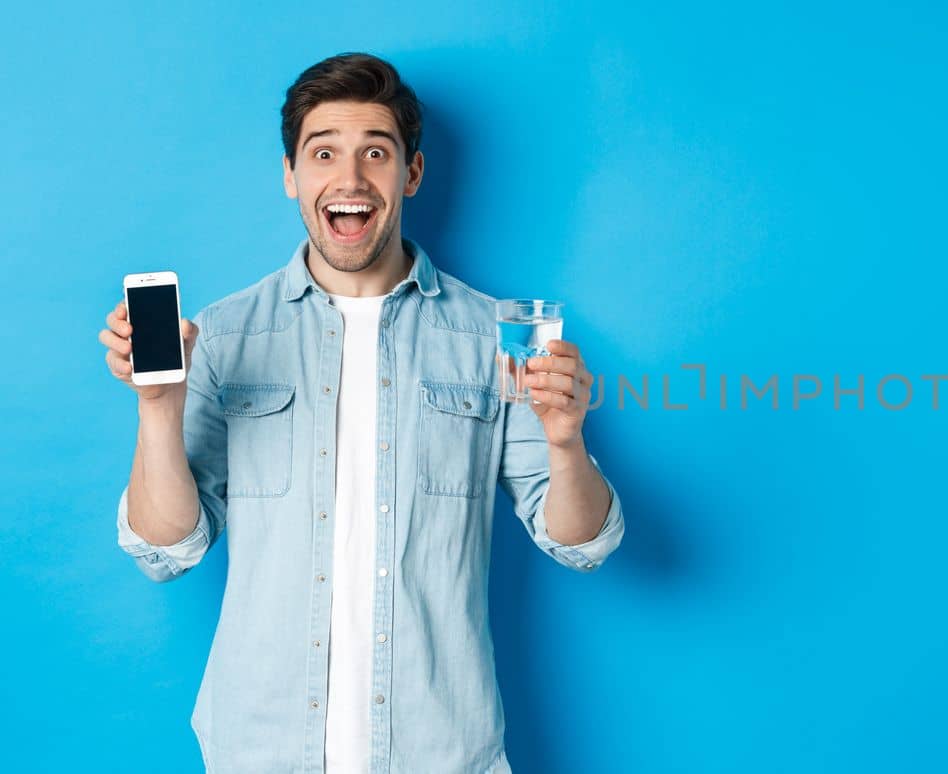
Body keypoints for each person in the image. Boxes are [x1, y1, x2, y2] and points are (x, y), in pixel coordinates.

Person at [96, 52, 624, 773]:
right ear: (291, 176)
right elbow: (167, 550)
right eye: (323, 154)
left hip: (441, 753)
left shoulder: (492, 336)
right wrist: (158, 409)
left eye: (376, 152)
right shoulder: (222, 336)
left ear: (411, 174)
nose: (349, 179)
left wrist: (566, 444)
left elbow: (581, 543)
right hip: (260, 751)